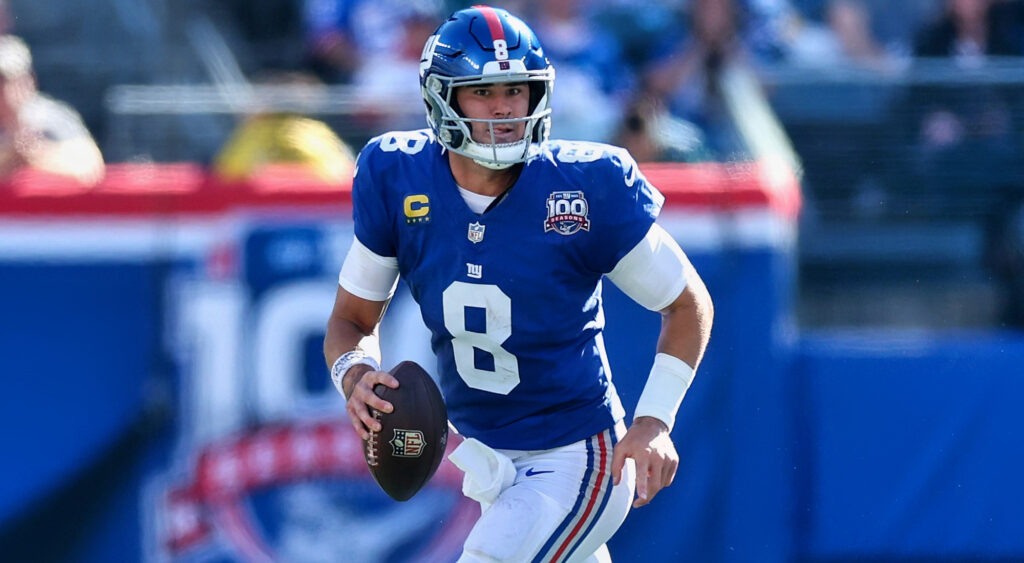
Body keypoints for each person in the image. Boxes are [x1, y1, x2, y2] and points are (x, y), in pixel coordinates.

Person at [323, 6, 713, 562]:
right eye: (483, 91)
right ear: (443, 97)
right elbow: (351, 321)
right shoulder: (397, 176)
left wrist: (654, 420)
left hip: (582, 457)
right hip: (491, 461)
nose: (504, 107)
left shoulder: (583, 186)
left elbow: (687, 304)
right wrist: (354, 373)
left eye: (516, 89)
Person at [0, 35, 104, 186]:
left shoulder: (51, 116)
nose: (4, 90)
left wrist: (37, 154)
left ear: (30, 79)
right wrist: (10, 156)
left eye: (8, 80)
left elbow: (91, 164)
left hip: (50, 207)